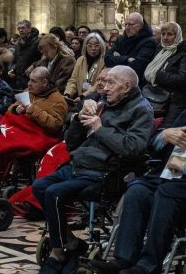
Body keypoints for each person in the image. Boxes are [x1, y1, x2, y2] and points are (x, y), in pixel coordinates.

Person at [88, 72, 186, 274]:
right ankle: (124, 259)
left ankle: (148, 265)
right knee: (138, 189)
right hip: (169, 174)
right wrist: (163, 135)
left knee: (167, 192)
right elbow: (151, 145)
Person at [34, 65, 154, 274]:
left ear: (126, 87)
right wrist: (79, 119)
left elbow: (133, 148)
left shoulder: (141, 109)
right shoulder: (102, 104)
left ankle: (57, 252)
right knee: (40, 186)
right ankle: (70, 241)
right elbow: (71, 143)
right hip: (79, 164)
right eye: (104, 82)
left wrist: (100, 128)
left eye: (110, 83)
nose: (104, 88)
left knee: (54, 193)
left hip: (105, 172)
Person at [143, 22, 186, 127]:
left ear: (177, 36)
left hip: (175, 100)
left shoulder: (185, 53)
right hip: (155, 95)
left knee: (165, 129)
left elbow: (182, 79)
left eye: (170, 34)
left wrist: (158, 75)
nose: (165, 37)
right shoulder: (160, 49)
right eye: (163, 34)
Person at [9, 66, 67, 137]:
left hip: (39, 136)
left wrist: (33, 110)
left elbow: (56, 126)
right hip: (21, 129)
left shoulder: (58, 100)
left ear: (45, 83)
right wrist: (16, 109)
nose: (29, 84)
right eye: (29, 80)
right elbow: (10, 109)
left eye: (33, 81)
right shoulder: (29, 90)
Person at [105, 12, 156, 86]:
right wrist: (127, 59)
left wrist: (118, 58)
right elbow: (107, 58)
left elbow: (137, 66)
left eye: (131, 24)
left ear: (141, 25)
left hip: (135, 84)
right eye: (125, 24)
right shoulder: (120, 40)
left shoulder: (148, 42)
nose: (127, 28)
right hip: (116, 83)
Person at [64, 32, 106, 101]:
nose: (93, 48)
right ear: (85, 46)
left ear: (101, 46)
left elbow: (99, 83)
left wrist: (83, 96)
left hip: (96, 99)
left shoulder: (105, 61)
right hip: (80, 98)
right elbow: (73, 80)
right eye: (90, 45)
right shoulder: (80, 60)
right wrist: (68, 94)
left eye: (97, 45)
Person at [9, 20, 42, 90]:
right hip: (19, 80)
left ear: (29, 29)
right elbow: (15, 61)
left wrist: (34, 65)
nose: (20, 30)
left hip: (32, 79)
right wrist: (12, 69)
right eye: (19, 28)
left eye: (23, 28)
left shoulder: (37, 42)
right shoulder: (18, 44)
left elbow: (43, 59)